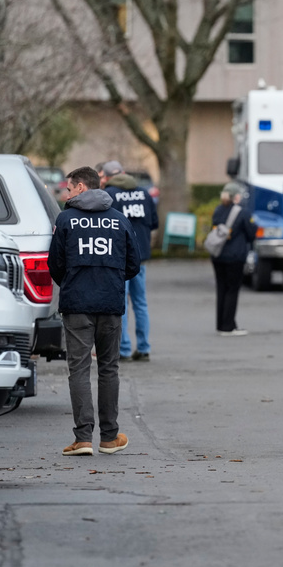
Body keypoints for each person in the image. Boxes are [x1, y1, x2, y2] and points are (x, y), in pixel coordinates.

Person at [49, 166, 140, 456]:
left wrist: (74, 283)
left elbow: (55, 264)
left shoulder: (65, 220)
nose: (66, 192)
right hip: (110, 304)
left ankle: (83, 438)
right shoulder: (119, 220)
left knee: (78, 369)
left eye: (70, 187)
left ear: (82, 188)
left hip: (76, 304)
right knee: (109, 368)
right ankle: (110, 438)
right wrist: (109, 282)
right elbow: (133, 265)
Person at [104, 165, 159, 361]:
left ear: (108, 177)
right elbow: (154, 223)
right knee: (140, 303)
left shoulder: (109, 194)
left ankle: (124, 349)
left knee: (122, 304)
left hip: (119, 257)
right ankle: (144, 347)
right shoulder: (143, 193)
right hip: (141, 255)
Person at [210, 182, 257, 336]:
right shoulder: (243, 213)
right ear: (236, 196)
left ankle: (221, 324)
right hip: (235, 256)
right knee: (232, 290)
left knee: (221, 289)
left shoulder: (217, 210)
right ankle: (228, 327)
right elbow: (251, 234)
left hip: (217, 255)